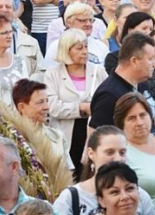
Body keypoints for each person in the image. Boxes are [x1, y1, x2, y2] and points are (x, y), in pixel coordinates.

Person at [54, 126, 155, 215]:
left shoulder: (139, 195)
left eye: (122, 152)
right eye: (110, 152)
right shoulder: (71, 197)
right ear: (91, 153)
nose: (118, 158)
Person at [44, 29, 107, 171]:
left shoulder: (99, 71)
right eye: (79, 48)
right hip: (65, 135)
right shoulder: (52, 74)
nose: (85, 51)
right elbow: (53, 107)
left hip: (93, 132)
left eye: (86, 47)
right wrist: (81, 108)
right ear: (66, 50)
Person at [88, 33, 155, 129]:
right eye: (150, 59)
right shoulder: (109, 96)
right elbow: (96, 137)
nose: (154, 64)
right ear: (134, 61)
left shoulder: (141, 85)